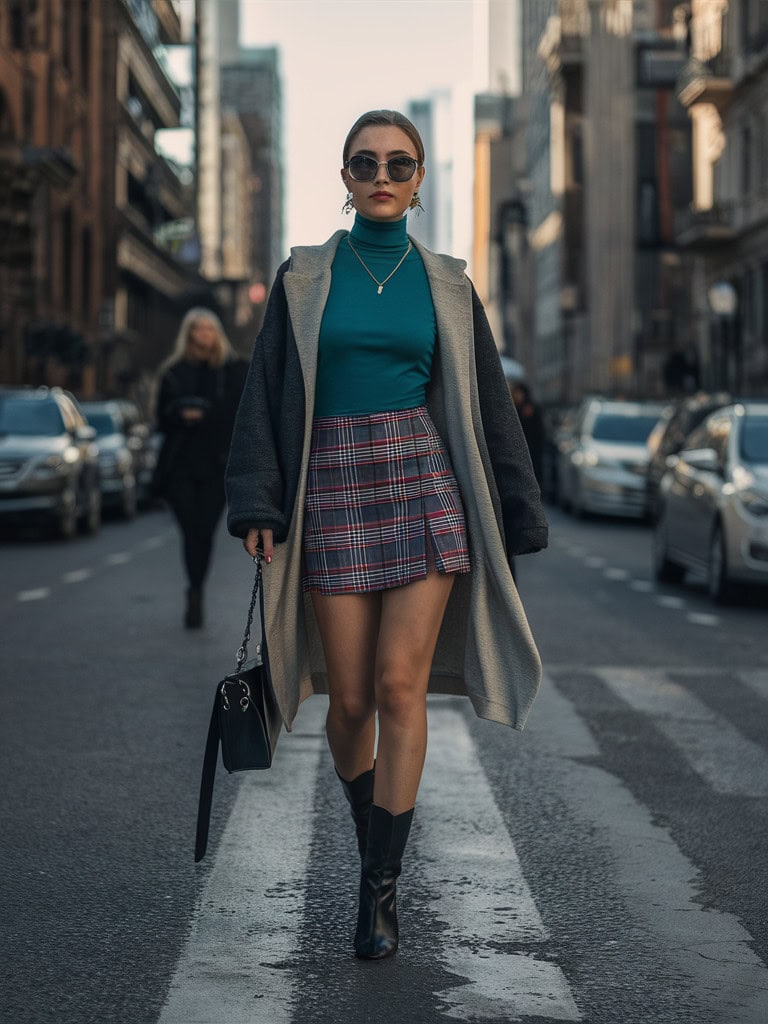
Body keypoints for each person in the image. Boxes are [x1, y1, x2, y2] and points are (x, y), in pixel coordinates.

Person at [225, 110, 547, 960]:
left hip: (420, 478)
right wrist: (256, 502)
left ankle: (379, 892)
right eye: (364, 162)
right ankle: (376, 832)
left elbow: (487, 403)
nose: (381, 175)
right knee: (353, 699)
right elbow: (262, 394)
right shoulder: (303, 275)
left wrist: (518, 509)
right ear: (343, 176)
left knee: (401, 690)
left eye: (399, 164)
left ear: (419, 180)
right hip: (328, 482)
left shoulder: (447, 281)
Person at [153, 308, 247, 628]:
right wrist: (180, 413)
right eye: (198, 329)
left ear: (217, 333)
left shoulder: (233, 371)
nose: (204, 334)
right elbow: (160, 421)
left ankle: (196, 589)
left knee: (203, 531)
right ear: (189, 333)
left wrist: (209, 415)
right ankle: (194, 588)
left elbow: (241, 414)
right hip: (180, 465)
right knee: (190, 530)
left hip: (217, 465)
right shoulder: (173, 372)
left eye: (209, 328)